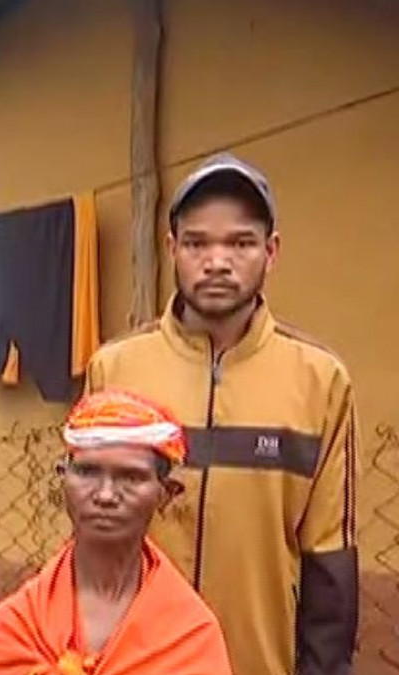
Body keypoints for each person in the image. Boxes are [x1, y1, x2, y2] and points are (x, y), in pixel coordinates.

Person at [85, 153, 359, 675]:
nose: (217, 261)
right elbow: (89, 540)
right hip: (134, 665)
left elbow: (330, 566)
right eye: (197, 243)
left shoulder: (320, 381)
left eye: (240, 242)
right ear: (172, 250)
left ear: (271, 251)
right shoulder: (115, 368)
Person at [0, 390, 232, 675]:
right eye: (87, 472)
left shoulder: (189, 636)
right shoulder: (18, 627)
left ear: (166, 494)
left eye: (131, 477)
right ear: (63, 480)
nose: (106, 495)